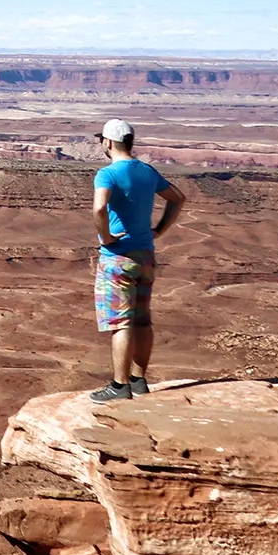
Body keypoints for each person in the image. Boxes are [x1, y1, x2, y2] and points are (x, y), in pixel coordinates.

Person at [89, 117, 186, 402]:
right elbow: (178, 198)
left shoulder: (107, 174)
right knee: (142, 320)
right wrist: (159, 230)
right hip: (146, 256)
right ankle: (139, 379)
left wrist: (106, 238)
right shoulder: (147, 171)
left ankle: (120, 387)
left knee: (121, 323)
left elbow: (99, 208)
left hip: (118, 258)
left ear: (107, 142)